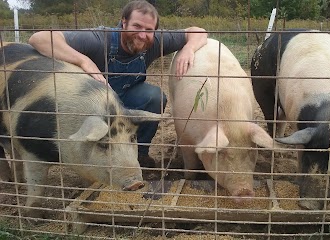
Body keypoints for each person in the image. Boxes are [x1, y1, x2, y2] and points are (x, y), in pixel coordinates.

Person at [28, 0, 208, 168]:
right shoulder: (99, 39)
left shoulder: (154, 41)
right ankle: (95, 161)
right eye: (136, 26)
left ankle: (140, 155)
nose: (142, 35)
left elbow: (198, 31)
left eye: (149, 29)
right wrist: (83, 61)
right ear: (123, 22)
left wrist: (189, 49)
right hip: (93, 103)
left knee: (155, 98)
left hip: (126, 96)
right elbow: (39, 38)